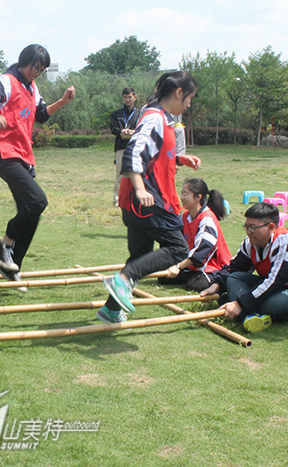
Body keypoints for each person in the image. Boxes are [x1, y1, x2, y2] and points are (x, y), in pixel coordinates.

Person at [0, 44, 75, 288]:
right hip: (2, 153)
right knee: (38, 201)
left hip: (22, 155)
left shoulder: (32, 87)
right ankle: (4, 246)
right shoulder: (7, 81)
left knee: (31, 211)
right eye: (35, 67)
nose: (37, 72)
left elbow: (40, 114)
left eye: (42, 69)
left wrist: (62, 101)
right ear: (24, 62)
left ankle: (11, 265)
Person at [98, 71, 201, 324]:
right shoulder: (155, 117)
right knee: (178, 249)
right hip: (148, 199)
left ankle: (111, 310)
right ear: (179, 92)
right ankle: (121, 280)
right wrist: (140, 188)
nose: (189, 104)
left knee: (139, 257)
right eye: (190, 98)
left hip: (140, 200)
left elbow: (153, 154)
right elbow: (134, 151)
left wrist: (179, 159)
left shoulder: (163, 119)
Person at [200, 202, 288, 333]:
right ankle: (248, 313)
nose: (248, 232)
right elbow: (235, 268)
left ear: (271, 227)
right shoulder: (251, 242)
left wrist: (240, 303)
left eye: (252, 228)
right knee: (235, 278)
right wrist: (216, 285)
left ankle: (241, 310)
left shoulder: (287, 243)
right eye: (246, 227)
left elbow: (276, 281)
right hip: (279, 289)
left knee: (265, 303)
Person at [158, 178, 231, 291]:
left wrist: (178, 266)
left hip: (213, 265)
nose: (182, 197)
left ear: (198, 197)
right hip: (194, 265)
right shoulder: (185, 216)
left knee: (195, 285)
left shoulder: (207, 219)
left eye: (185, 194)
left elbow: (201, 252)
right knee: (163, 277)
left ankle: (217, 279)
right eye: (182, 193)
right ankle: (192, 274)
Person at [109, 87, 140, 207]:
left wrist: (134, 132)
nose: (127, 100)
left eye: (130, 97)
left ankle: (136, 199)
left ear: (135, 98)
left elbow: (143, 128)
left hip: (136, 147)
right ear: (122, 98)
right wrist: (122, 131)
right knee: (120, 175)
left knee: (137, 172)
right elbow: (113, 129)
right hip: (121, 147)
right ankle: (117, 201)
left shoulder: (139, 113)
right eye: (125, 97)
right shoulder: (116, 114)